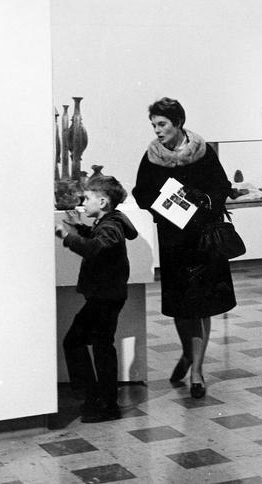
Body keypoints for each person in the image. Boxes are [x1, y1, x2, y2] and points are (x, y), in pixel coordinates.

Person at [132, 97, 236, 399]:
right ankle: (188, 354)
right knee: (180, 305)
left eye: (162, 124)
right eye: (154, 125)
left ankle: (197, 371)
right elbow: (141, 192)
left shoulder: (202, 152)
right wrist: (164, 206)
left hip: (203, 239)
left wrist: (203, 201)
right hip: (174, 240)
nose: (157, 130)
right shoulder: (152, 155)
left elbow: (221, 186)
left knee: (202, 306)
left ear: (178, 123)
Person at [55, 175, 138, 421]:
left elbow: (96, 248)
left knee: (79, 342)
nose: (84, 202)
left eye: (88, 198)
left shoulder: (111, 226)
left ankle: (99, 400)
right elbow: (98, 239)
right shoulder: (110, 222)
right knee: (101, 346)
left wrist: (66, 236)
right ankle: (101, 399)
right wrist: (80, 228)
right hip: (107, 295)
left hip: (105, 297)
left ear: (102, 202)